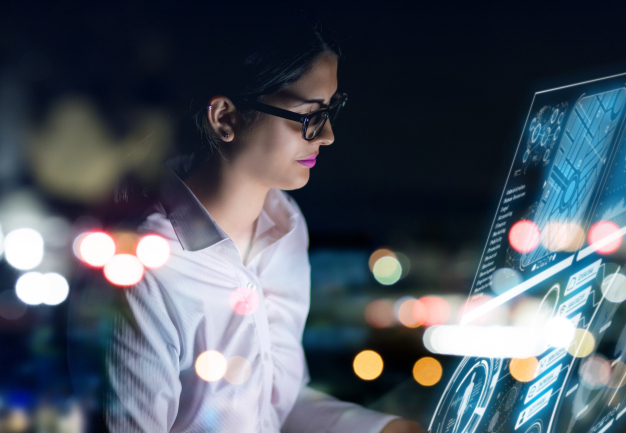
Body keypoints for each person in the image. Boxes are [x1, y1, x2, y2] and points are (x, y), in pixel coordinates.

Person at [68, 14, 426, 433]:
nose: (327, 134)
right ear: (224, 117)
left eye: (331, 110)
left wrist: (385, 429)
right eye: (309, 115)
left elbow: (274, 403)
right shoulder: (147, 266)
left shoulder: (286, 226)